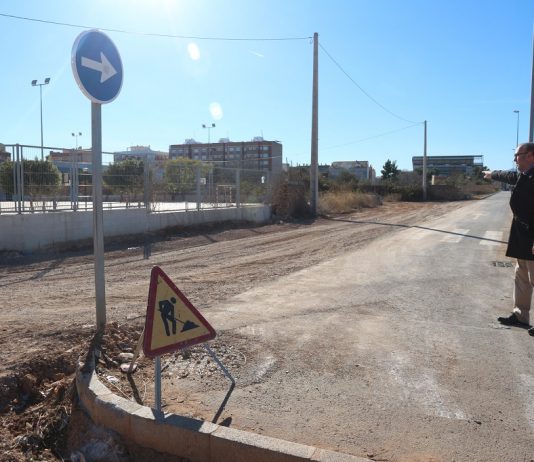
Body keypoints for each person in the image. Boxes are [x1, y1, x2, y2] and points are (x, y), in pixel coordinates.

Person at [484, 142, 534, 336]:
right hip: (521, 235)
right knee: (521, 276)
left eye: (517, 155)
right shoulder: (524, 175)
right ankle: (520, 315)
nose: (515, 159)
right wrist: (491, 174)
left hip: (532, 235)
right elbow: (509, 175)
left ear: (530, 155)